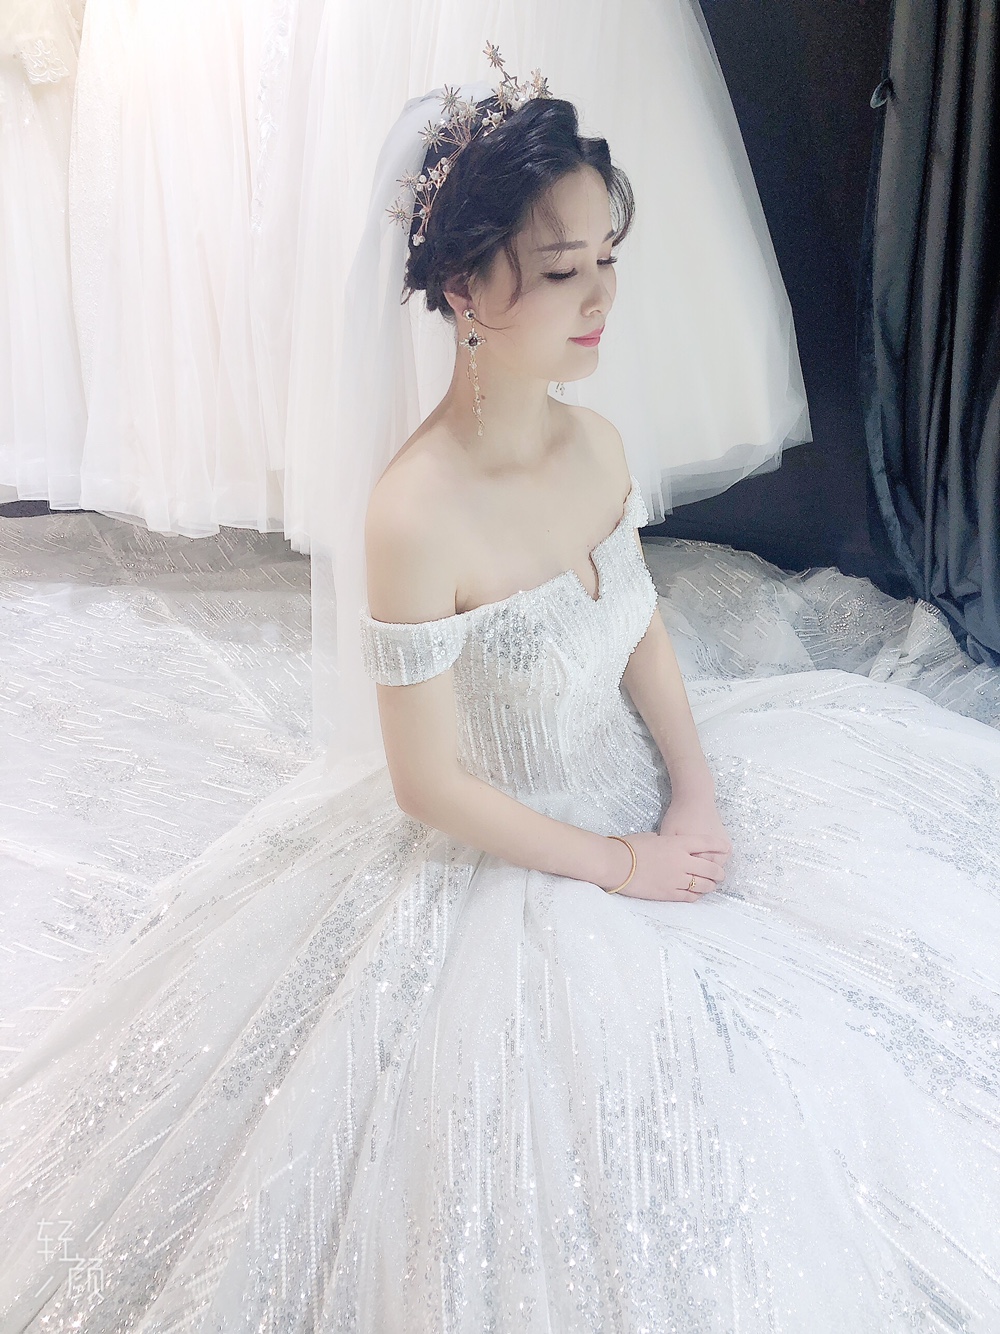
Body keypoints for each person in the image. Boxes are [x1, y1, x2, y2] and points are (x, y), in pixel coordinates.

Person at [2, 70, 1000, 1334]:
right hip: (506, 842)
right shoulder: (412, 513)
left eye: (607, 261)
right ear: (466, 291)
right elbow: (427, 783)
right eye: (564, 270)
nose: (601, 300)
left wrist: (692, 789)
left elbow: (637, 624)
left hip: (633, 782)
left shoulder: (596, 442)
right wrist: (621, 863)